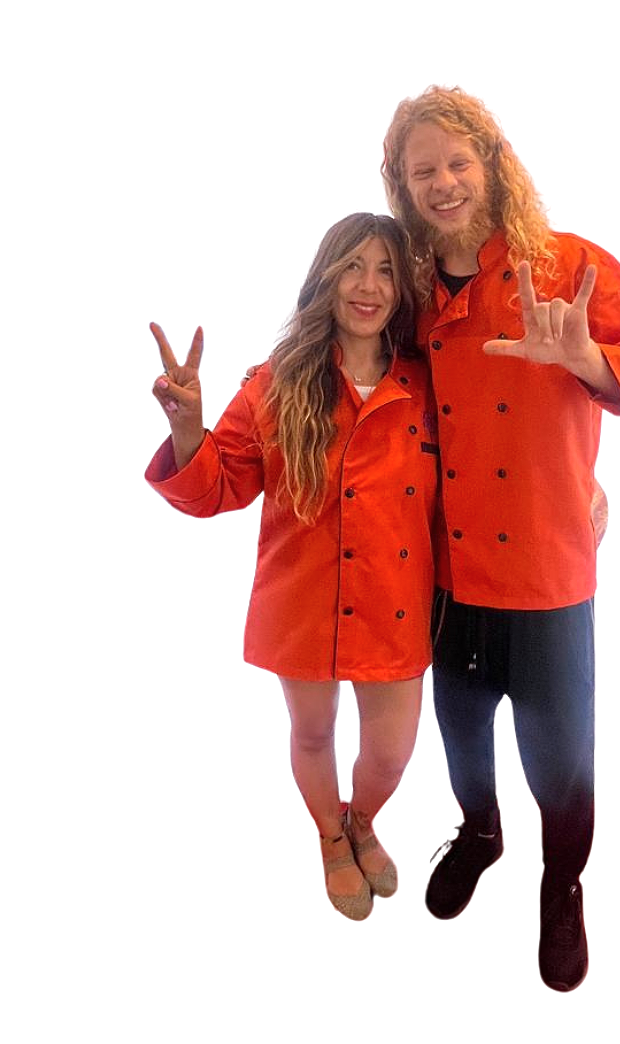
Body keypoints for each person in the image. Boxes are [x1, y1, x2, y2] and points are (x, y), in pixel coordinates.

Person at [382, 87, 620, 990]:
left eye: (458, 163)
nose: (443, 183)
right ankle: (480, 834)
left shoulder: (566, 264)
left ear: (495, 163)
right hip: (449, 573)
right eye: (421, 169)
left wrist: (585, 363)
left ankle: (563, 882)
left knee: (561, 758)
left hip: (550, 575)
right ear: (400, 185)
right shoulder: (407, 292)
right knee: (463, 736)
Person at [145, 213, 439, 921]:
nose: (368, 287)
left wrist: (581, 479)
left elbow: (484, 471)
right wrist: (189, 429)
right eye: (352, 267)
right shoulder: (278, 383)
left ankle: (361, 820)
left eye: (386, 271)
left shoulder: (428, 386)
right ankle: (330, 837)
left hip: (396, 600)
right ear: (325, 278)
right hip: (305, 600)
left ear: (404, 291)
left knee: (391, 754)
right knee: (312, 733)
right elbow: (220, 488)